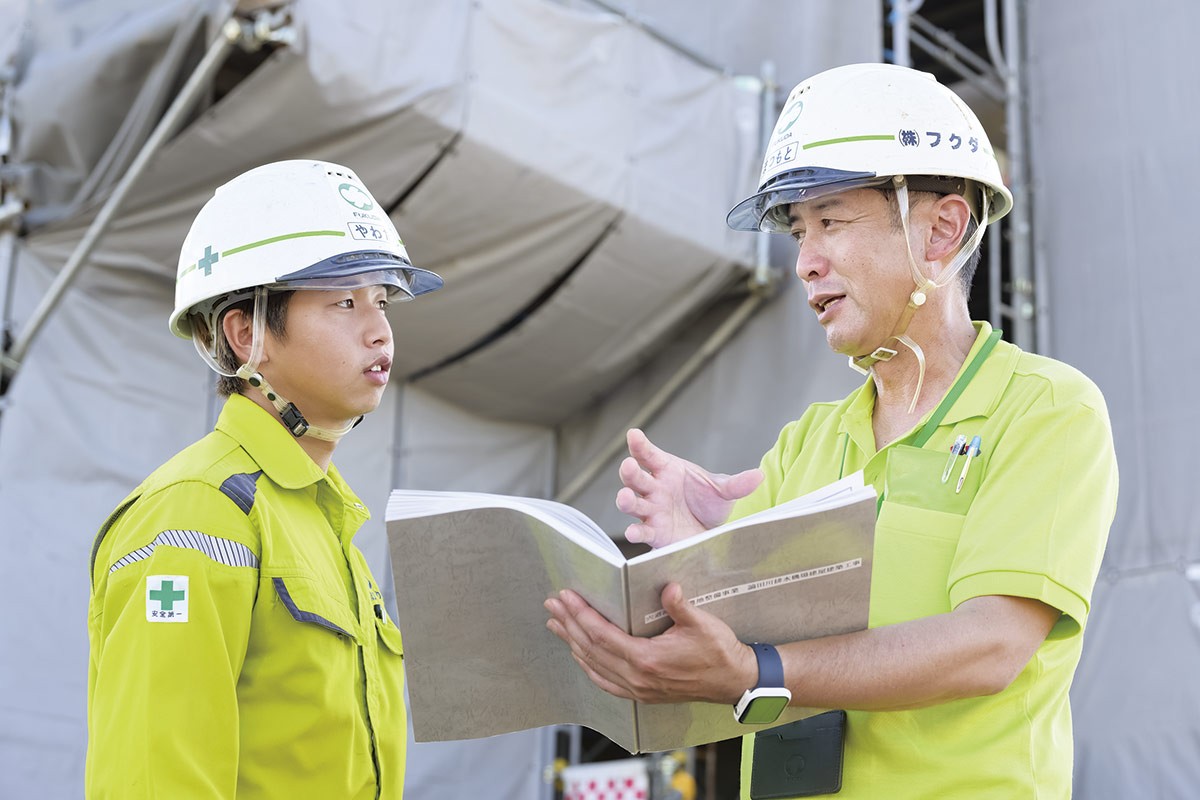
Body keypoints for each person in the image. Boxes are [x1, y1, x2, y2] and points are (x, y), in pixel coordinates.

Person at [545, 63, 1118, 799]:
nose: (805, 262)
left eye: (831, 221)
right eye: (797, 230)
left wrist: (761, 674)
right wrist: (695, 561)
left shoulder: (1045, 411)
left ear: (941, 230)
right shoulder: (807, 445)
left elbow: (991, 646)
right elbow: (728, 652)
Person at [85, 160, 442, 798]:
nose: (379, 329)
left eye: (381, 300)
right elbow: (154, 777)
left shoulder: (325, 524)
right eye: (343, 301)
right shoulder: (194, 514)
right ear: (245, 332)